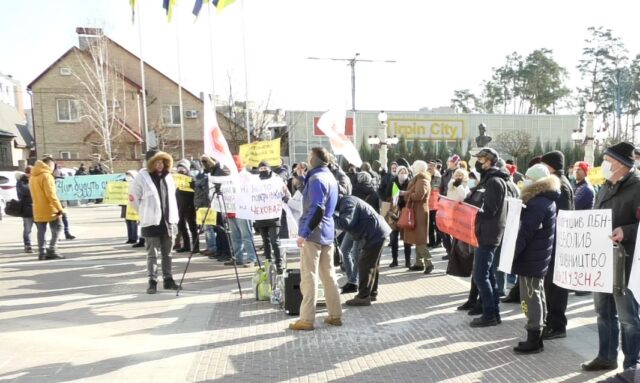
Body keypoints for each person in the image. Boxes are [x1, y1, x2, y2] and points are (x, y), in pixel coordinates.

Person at [582, 142, 640, 371]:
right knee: (603, 311)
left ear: (622, 164)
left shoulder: (638, 187)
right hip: (601, 260)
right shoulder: (605, 185)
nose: (604, 163)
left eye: (608, 159)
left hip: (625, 261)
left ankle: (632, 365)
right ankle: (606, 356)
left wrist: (627, 231)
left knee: (628, 317)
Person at [289, 147, 341, 331]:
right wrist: (302, 180)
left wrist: (303, 233)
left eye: (309, 156)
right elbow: (316, 201)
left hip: (314, 233)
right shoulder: (328, 177)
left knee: (309, 277)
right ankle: (335, 315)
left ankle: (307, 319)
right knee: (329, 276)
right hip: (327, 232)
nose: (307, 159)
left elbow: (316, 207)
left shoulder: (317, 178)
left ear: (314, 159)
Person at [511, 164, 560, 354]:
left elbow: (525, 232)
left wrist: (511, 254)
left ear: (536, 182)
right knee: (536, 294)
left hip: (532, 257)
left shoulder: (537, 202)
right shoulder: (544, 199)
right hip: (536, 256)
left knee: (531, 297)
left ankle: (534, 337)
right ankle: (537, 337)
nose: (525, 181)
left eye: (529, 178)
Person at [464, 148, 508, 327]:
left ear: (488, 161)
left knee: (480, 275)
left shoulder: (494, 182)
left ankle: (490, 314)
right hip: (487, 232)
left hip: (488, 234)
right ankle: (493, 313)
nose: (478, 163)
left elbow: (490, 210)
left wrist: (472, 211)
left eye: (480, 159)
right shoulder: (490, 180)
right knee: (487, 274)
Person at [129, 148, 181, 294]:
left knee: (168, 253)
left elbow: (172, 197)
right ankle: (152, 281)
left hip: (168, 220)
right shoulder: (141, 177)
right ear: (150, 163)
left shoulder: (168, 177)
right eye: (156, 162)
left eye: (162, 162)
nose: (160, 165)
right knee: (152, 253)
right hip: (151, 221)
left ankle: (168, 279)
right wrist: (145, 212)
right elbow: (133, 198)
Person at [540, 150, 574, 340]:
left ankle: (557, 325)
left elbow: (563, 215)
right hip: (555, 240)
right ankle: (551, 320)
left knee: (557, 286)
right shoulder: (557, 181)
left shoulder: (560, 184)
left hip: (559, 242)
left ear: (550, 166)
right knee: (550, 284)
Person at [335, 195, 392, 306]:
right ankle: (371, 293)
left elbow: (346, 223)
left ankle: (363, 296)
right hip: (377, 232)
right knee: (372, 265)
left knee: (365, 264)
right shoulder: (346, 201)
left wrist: (330, 217)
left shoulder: (347, 202)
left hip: (374, 233)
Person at [29, 156, 65, 260]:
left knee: (41, 231)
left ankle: (42, 252)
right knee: (58, 227)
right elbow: (51, 195)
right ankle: (52, 249)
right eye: (53, 165)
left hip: (37, 207)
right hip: (50, 208)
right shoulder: (47, 176)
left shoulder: (33, 176)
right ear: (50, 164)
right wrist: (59, 209)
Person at [226, 155, 258, 267]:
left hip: (243, 211)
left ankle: (251, 258)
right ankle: (237, 257)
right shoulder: (229, 177)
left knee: (246, 236)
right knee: (235, 237)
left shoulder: (247, 176)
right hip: (231, 210)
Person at [403, 160, 433, 274]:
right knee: (417, 238)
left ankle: (429, 263)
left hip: (420, 212)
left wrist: (406, 194)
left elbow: (419, 196)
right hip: (417, 211)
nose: (412, 169)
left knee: (420, 239)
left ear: (419, 168)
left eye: (414, 167)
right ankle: (419, 263)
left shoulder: (422, 180)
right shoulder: (419, 178)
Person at [254, 160, 285, 273]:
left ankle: (279, 264)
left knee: (274, 241)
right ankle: (268, 262)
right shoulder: (255, 181)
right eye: (261, 169)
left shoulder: (276, 180)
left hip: (273, 215)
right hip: (261, 216)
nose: (263, 171)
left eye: (265, 169)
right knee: (265, 241)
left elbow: (284, 192)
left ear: (269, 169)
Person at [388, 165, 412, 268]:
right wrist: (394, 197)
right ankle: (394, 260)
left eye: (405, 172)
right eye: (401, 172)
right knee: (393, 237)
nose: (403, 174)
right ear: (397, 174)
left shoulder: (410, 183)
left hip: (405, 212)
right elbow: (386, 195)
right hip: (394, 212)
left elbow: (411, 195)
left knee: (407, 238)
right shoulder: (392, 182)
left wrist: (403, 195)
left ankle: (407, 261)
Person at [175, 159, 199, 254]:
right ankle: (186, 245)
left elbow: (195, 191)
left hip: (189, 206)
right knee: (181, 226)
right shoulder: (176, 179)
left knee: (192, 227)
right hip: (179, 206)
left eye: (183, 168)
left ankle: (196, 247)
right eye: (179, 168)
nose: (181, 170)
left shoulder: (191, 178)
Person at [17, 166, 34, 253]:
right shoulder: (21, 182)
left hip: (37, 208)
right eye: (30, 173)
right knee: (28, 229)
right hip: (27, 209)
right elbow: (24, 191)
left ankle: (43, 245)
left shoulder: (35, 180)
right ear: (27, 173)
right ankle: (27, 245)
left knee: (41, 229)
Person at [427, 160, 442, 249]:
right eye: (429, 167)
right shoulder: (427, 176)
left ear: (435, 167)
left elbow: (434, 188)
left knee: (437, 225)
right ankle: (431, 241)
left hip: (436, 204)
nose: (429, 168)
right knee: (429, 225)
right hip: (428, 205)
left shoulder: (438, 177)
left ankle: (439, 241)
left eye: (431, 167)